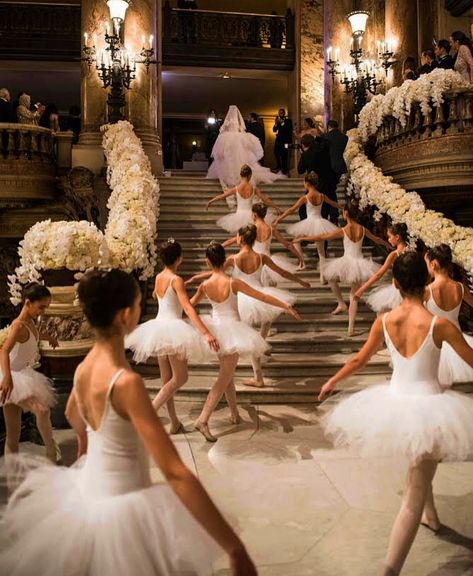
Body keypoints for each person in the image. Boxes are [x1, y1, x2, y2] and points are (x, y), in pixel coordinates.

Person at [0, 269, 257, 576]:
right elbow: (175, 472)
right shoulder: (125, 383)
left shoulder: (84, 369)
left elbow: (72, 415)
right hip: (122, 510)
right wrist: (234, 547)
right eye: (138, 305)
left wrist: (88, 448)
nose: (140, 312)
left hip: (88, 497)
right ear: (125, 315)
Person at [319, 251, 473, 576]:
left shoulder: (384, 320)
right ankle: (390, 570)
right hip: (429, 407)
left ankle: (431, 517)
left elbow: (357, 361)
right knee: (413, 490)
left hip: (395, 405)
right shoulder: (441, 325)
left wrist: (332, 381)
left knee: (421, 464)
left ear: (395, 283)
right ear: (426, 279)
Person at [190, 242, 300, 433]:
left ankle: (234, 414)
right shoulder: (234, 283)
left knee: (227, 375)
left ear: (207, 262)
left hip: (216, 330)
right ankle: (203, 418)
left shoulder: (204, 285)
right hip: (232, 332)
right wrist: (285, 305)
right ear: (225, 260)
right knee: (224, 376)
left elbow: (188, 305)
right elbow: (261, 296)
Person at [125, 240, 219, 434]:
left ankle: (174, 423)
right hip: (172, 329)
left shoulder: (159, 277)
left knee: (166, 379)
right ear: (180, 259)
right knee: (181, 378)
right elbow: (187, 307)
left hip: (159, 328)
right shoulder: (176, 280)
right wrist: (206, 332)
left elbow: (154, 295)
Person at [297, 202, 389, 336]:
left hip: (348, 261)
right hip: (359, 263)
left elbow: (322, 237)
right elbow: (376, 239)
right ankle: (349, 326)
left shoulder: (344, 230)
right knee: (353, 295)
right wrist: (387, 244)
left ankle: (341, 304)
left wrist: (305, 237)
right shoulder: (362, 229)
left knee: (333, 280)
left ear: (346, 214)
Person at [0, 283, 59, 463]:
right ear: (27, 303)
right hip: (12, 376)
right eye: (41, 307)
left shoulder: (30, 322)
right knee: (40, 412)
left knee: (14, 433)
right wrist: (8, 377)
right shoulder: (18, 326)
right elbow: (3, 351)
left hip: (24, 374)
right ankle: (51, 451)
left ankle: (47, 452)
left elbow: (36, 334)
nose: (43, 311)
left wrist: (50, 338)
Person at [273, 172, 341, 279]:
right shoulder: (322, 196)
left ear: (308, 184)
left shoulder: (306, 197)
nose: (303, 184)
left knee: (296, 241)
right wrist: (344, 208)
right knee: (321, 252)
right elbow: (333, 203)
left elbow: (291, 209)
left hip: (309, 223)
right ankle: (323, 277)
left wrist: (279, 219)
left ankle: (302, 262)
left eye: (304, 182)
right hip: (320, 222)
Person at [424, 244, 473, 386]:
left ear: (433, 264)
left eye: (427, 264)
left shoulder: (427, 291)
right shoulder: (460, 288)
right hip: (457, 343)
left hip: (434, 343)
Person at [207, 105, 284, 189]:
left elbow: (221, 130)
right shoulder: (239, 122)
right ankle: (238, 175)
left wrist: (225, 129)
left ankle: (231, 175)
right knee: (237, 157)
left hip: (230, 140)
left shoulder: (227, 121)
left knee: (230, 157)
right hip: (236, 139)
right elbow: (242, 129)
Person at [223, 203, 302, 284]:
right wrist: (300, 257)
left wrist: (220, 246)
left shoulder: (250, 230)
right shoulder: (271, 229)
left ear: (254, 215)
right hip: (267, 261)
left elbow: (231, 241)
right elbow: (288, 244)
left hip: (252, 259)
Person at [207, 163, 281, 233]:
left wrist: (211, 201)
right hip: (252, 216)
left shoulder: (236, 188)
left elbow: (222, 196)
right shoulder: (254, 189)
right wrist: (276, 207)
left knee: (241, 237)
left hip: (238, 217)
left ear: (240, 175)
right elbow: (265, 200)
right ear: (250, 176)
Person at [354, 222, 409, 312]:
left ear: (397, 237)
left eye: (390, 237)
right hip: (411, 290)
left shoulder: (394, 254)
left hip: (397, 290)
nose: (388, 240)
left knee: (383, 315)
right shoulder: (412, 251)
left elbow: (378, 274)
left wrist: (361, 289)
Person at [297, 134, 338, 223]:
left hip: (313, 184)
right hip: (327, 182)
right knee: (325, 207)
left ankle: (309, 227)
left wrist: (302, 154)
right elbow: (328, 142)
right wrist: (317, 138)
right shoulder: (324, 150)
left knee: (303, 210)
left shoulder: (306, 155)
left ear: (303, 145)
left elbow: (300, 170)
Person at [272, 108, 293, 175]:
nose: (280, 114)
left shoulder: (288, 121)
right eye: (279, 113)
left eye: (281, 113)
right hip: (278, 140)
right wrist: (275, 123)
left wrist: (282, 123)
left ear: (284, 113)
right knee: (275, 152)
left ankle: (284, 169)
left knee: (285, 155)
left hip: (286, 141)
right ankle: (279, 165)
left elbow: (289, 129)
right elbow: (274, 130)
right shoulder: (278, 121)